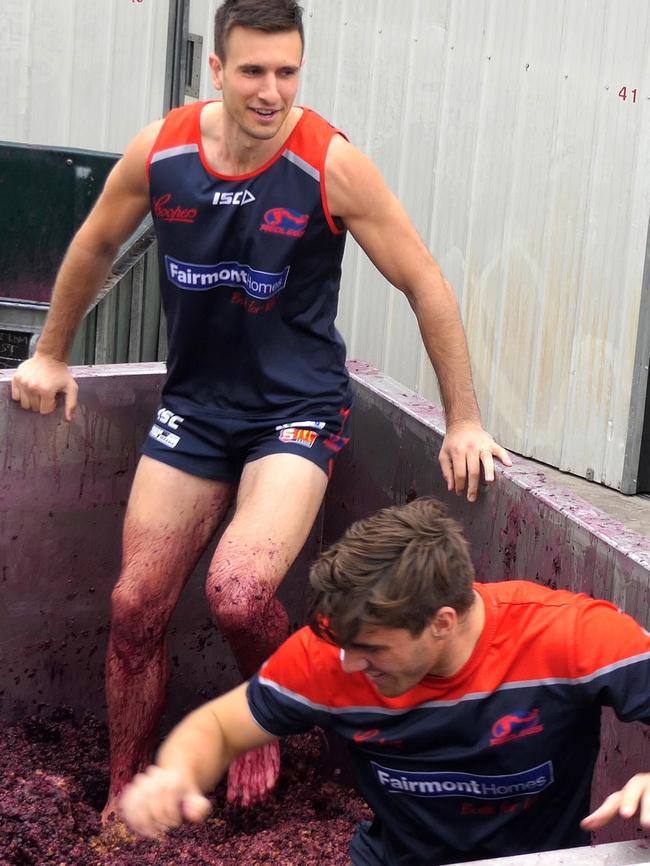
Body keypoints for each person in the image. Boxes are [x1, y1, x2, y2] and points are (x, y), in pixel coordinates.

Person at [10, 0, 511, 819]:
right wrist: (52, 352)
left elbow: (423, 279)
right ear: (217, 68)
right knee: (135, 606)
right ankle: (125, 785)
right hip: (197, 409)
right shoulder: (163, 149)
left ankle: (263, 716)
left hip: (296, 410)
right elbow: (98, 241)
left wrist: (463, 419)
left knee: (239, 594)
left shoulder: (331, 163)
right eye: (253, 71)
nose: (272, 91)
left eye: (288, 71)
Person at [120, 497, 650, 865]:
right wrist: (178, 773)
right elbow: (219, 727)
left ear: (442, 622)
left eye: (371, 648)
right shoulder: (332, 652)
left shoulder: (570, 636)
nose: (351, 665)